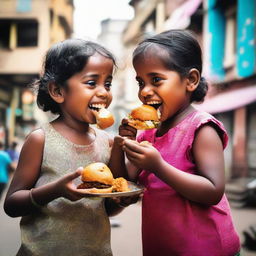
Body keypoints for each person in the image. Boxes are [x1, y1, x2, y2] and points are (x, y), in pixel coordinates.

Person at [4, 38, 136, 256]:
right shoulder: (40, 139)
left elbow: (109, 209)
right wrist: (55, 190)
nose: (104, 92)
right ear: (57, 91)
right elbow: (11, 204)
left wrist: (123, 199)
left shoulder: (110, 143)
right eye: (92, 83)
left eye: (108, 84)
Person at [118, 30, 241, 255]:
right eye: (140, 82)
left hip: (206, 247)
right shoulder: (148, 134)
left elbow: (213, 190)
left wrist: (159, 167)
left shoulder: (202, 128)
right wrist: (124, 143)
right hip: (163, 246)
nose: (145, 91)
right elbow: (127, 181)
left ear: (190, 80)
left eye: (156, 80)